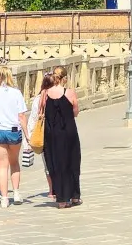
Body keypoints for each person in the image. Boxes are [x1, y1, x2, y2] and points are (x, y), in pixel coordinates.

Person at [0, 69, 30, 208]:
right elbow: (21, 116)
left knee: (2, 165)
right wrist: (27, 134)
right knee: (14, 162)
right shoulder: (16, 93)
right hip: (13, 130)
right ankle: (16, 193)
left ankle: (4, 198)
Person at [37, 67, 82, 208]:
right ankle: (74, 196)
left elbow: (40, 112)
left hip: (51, 135)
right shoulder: (70, 93)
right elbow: (75, 112)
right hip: (69, 132)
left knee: (56, 163)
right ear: (65, 78)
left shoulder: (44, 94)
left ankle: (62, 199)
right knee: (72, 162)